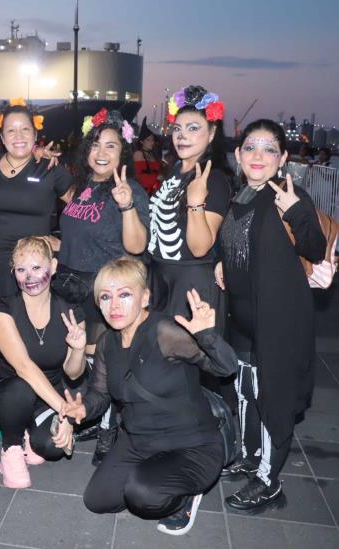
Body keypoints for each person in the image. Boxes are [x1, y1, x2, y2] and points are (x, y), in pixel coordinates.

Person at [61, 257, 238, 536]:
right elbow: (100, 393)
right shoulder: (108, 341)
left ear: (145, 297)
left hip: (191, 444)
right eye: (105, 297)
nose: (114, 305)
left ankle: (185, 497)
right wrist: (81, 411)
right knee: (97, 500)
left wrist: (207, 336)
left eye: (125, 294)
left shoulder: (165, 332)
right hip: (139, 441)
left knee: (142, 494)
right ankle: (152, 474)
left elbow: (227, 368)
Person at [216, 120, 326, 512]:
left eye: (268, 148)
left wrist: (296, 211)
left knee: (272, 398)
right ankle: (249, 457)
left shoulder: (289, 195)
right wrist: (221, 263)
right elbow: (233, 244)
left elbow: (314, 246)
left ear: (281, 158)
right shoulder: (241, 195)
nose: (257, 155)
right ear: (239, 154)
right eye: (250, 147)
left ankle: (268, 480)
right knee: (246, 391)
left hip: (278, 322)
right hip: (244, 319)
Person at [56, 108, 149, 461]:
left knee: (103, 364)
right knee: (81, 361)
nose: (102, 152)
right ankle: (95, 418)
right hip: (73, 287)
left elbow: (138, 246)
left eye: (111, 146)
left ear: (122, 152)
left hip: (105, 290)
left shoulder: (129, 190)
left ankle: (111, 427)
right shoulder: (83, 186)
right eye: (96, 144)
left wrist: (126, 206)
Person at [0, 236, 86, 488]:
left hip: (46, 396)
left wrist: (78, 349)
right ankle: (11, 449)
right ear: (13, 273)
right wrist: (66, 411)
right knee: (21, 386)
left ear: (53, 266)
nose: (29, 276)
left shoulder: (71, 312)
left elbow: (73, 374)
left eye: (36, 267)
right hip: (5, 392)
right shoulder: (2, 310)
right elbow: (24, 368)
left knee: (51, 448)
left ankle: (30, 428)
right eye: (21, 269)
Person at [0, 99, 72, 306]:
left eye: (25, 129)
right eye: (11, 131)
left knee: (25, 329)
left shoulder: (49, 169)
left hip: (31, 267)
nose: (18, 136)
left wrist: (66, 244)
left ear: (35, 135)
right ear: (1, 137)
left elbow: (85, 211)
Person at [148, 85, 233, 320]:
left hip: (189, 287)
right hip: (158, 278)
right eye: (177, 129)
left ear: (212, 133)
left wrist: (195, 202)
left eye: (193, 128)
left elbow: (200, 247)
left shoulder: (213, 178)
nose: (182, 136)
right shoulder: (175, 170)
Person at [133, 117, 164, 195]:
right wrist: (156, 177)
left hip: (156, 191)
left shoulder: (152, 154)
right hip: (144, 193)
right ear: (141, 141)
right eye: (148, 140)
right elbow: (137, 176)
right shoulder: (138, 154)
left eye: (152, 140)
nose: (152, 142)